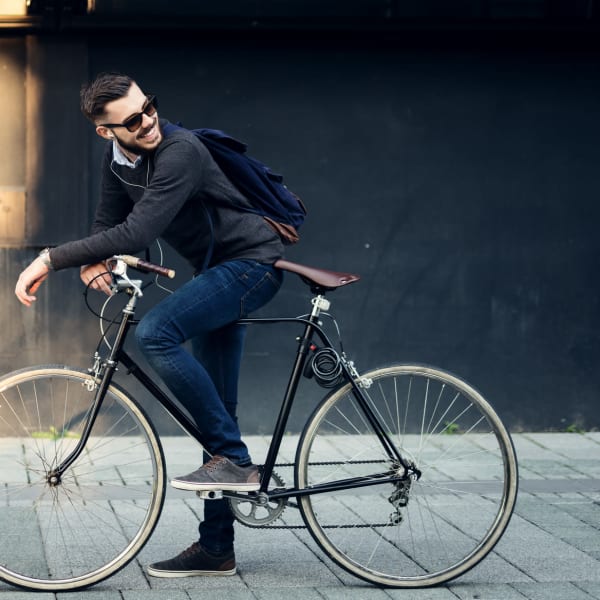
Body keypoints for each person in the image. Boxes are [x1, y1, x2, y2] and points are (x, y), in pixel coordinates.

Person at [14, 72, 285, 578]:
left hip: (252, 265)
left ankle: (233, 459)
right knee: (215, 409)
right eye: (133, 120)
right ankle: (216, 548)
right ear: (105, 131)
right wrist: (95, 258)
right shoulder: (118, 159)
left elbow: (140, 229)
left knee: (156, 333)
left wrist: (51, 258)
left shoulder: (180, 150)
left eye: (150, 108)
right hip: (217, 272)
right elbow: (109, 221)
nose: (148, 122)